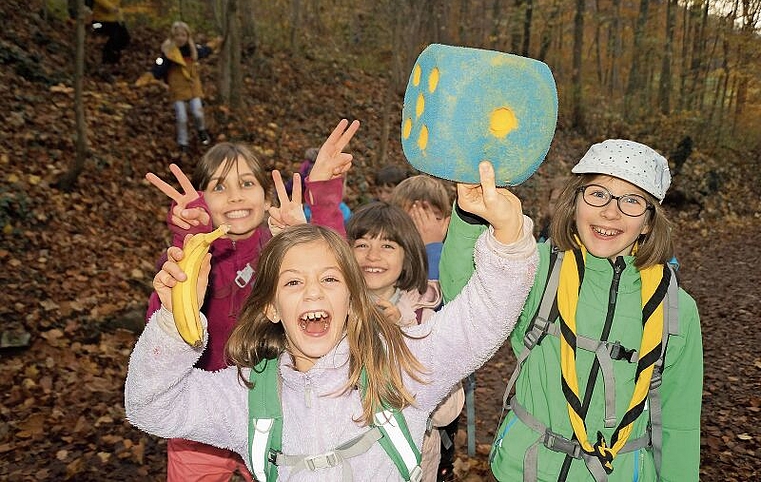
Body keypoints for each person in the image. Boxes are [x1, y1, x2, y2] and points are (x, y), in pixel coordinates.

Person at [125, 161, 539, 481]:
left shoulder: (401, 365)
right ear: (270, 307)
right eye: (292, 282)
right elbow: (151, 405)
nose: (312, 292)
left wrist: (507, 233)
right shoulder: (247, 394)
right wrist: (174, 323)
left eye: (328, 278)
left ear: (352, 298)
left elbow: (484, 314)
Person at [440, 140, 703, 481]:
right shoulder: (537, 270)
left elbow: (679, 425)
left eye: (632, 201)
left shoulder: (676, 309)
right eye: (598, 194)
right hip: (524, 471)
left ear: (650, 222)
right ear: (575, 201)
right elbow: (464, 298)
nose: (611, 212)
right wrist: (470, 215)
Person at [142, 119, 359, 482]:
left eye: (247, 184)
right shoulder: (193, 257)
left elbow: (336, 281)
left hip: (274, 409)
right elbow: (163, 330)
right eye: (219, 187)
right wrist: (189, 241)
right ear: (201, 200)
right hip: (202, 416)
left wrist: (321, 197)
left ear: (264, 195)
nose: (236, 196)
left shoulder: (278, 254)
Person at [345, 201, 464, 482]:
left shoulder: (425, 317)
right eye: (362, 244)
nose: (373, 256)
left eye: (388, 246)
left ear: (407, 257)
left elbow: (447, 412)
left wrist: (405, 331)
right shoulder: (332, 312)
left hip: (414, 460)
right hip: (350, 460)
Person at [152, 21, 213, 151]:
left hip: (192, 87)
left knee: (198, 112)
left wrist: (217, 43)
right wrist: (154, 73)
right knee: (181, 117)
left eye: (183, 35)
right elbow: (159, 68)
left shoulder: (193, 49)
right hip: (177, 88)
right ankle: (183, 142)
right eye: (177, 35)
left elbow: (206, 50)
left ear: (188, 36)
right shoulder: (169, 53)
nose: (180, 38)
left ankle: (201, 130)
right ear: (173, 37)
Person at [89, 0, 130, 66]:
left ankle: (113, 59)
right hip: (97, 23)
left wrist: (121, 18)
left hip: (112, 20)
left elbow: (116, 3)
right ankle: (108, 61)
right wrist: (109, 7)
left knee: (125, 38)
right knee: (115, 36)